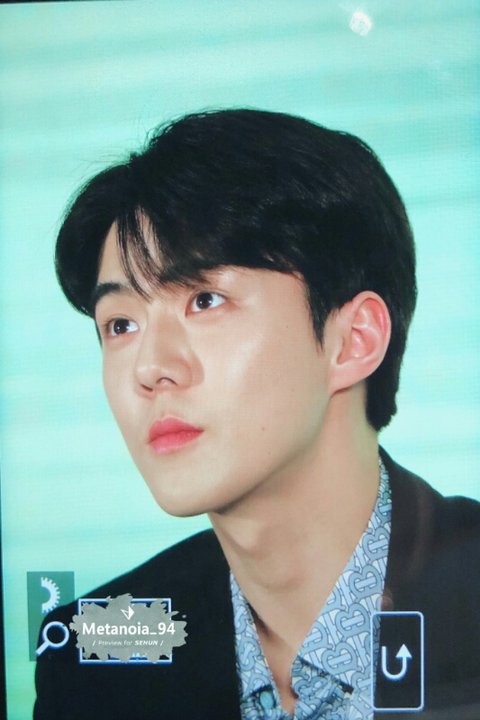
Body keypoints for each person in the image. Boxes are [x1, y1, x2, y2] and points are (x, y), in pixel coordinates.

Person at [34, 109, 480, 720]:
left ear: (353, 341)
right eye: (121, 325)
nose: (150, 367)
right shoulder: (95, 648)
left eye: (205, 299)